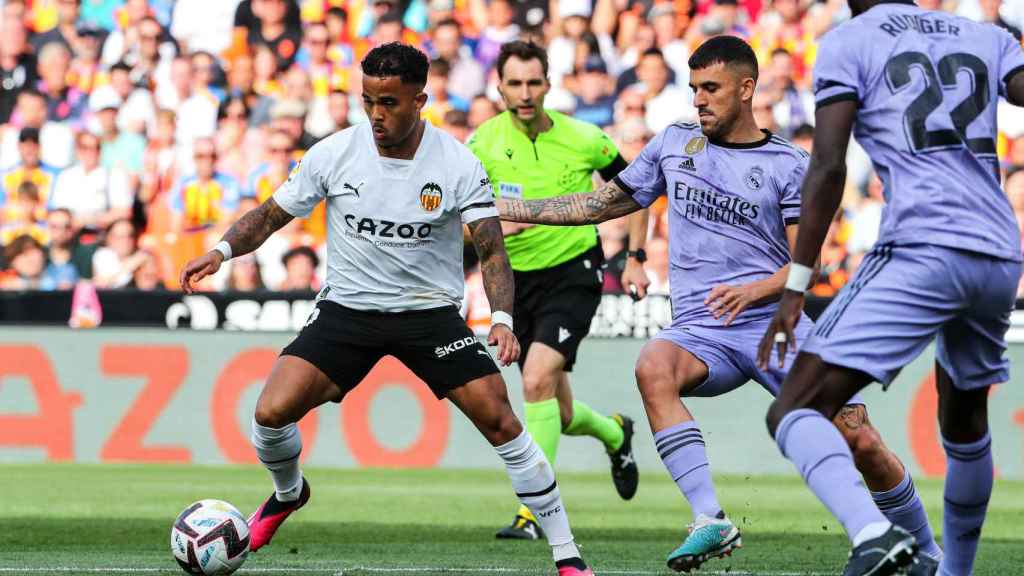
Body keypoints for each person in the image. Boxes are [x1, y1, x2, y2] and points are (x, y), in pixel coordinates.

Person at [497, 34, 941, 576]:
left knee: (860, 438)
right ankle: (709, 516)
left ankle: (928, 553)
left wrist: (755, 290)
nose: (699, 100)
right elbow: (596, 204)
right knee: (653, 366)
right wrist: (503, 206)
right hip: (703, 331)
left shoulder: (786, 164)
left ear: (746, 88)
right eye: (694, 89)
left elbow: (811, 264)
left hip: (774, 324)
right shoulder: (674, 145)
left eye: (712, 88)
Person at [179, 43, 596, 576]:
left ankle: (566, 552)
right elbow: (268, 216)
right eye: (368, 100)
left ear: (419, 100)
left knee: (501, 420)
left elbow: (492, 249)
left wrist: (502, 320)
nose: (377, 114)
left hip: (429, 315)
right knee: (269, 414)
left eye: (390, 103)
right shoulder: (334, 154)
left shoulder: (456, 163)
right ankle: (288, 493)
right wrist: (220, 252)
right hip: (348, 311)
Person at [755, 0, 1024, 574]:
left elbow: (826, 166)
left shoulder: (849, 40)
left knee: (794, 408)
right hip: (1000, 252)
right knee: (964, 420)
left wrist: (795, 285)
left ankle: (874, 533)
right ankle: (955, 572)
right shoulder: (985, 35)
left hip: (924, 244)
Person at [466, 40, 639, 541]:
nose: (524, 93)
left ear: (548, 84)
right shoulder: (481, 145)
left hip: (573, 269)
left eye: (533, 82)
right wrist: (491, 231)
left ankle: (533, 511)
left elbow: (640, 189)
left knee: (537, 377)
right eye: (514, 84)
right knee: (557, 412)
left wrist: (636, 256)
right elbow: (455, 222)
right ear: (498, 86)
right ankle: (614, 432)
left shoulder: (585, 138)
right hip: (515, 283)